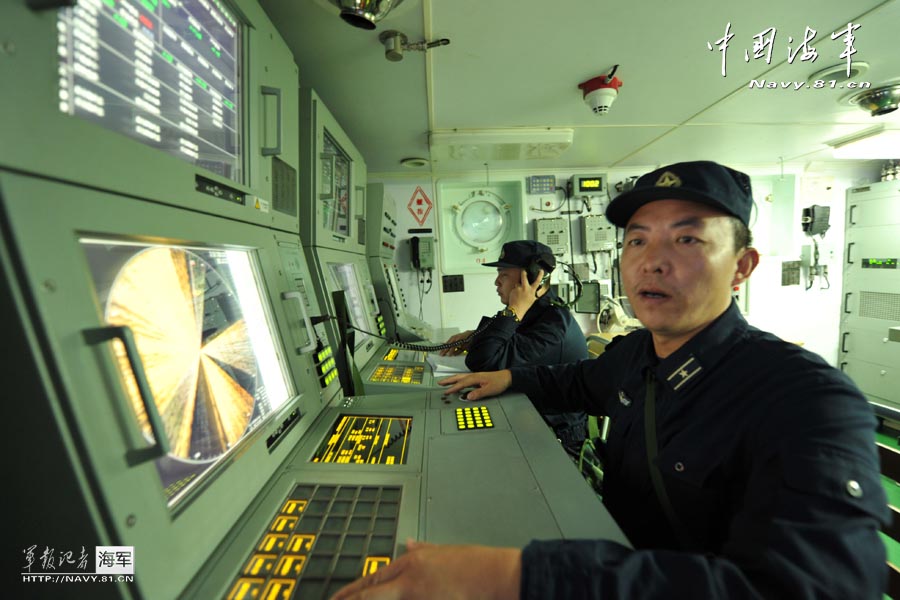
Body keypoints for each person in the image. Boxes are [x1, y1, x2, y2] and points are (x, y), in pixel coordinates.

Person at [332, 160, 889, 599]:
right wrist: (508, 378)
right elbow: (576, 381)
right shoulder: (636, 355)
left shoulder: (809, 401)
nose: (653, 261)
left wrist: (519, 578)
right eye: (637, 240)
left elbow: (809, 589)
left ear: (743, 266)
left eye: (687, 240)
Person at [439, 239, 589, 453]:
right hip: (530, 418)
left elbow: (483, 362)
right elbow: (498, 346)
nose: (497, 282)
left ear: (532, 277)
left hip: (556, 441)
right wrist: (475, 336)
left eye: (504, 274)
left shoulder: (551, 329)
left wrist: (515, 307)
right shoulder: (537, 312)